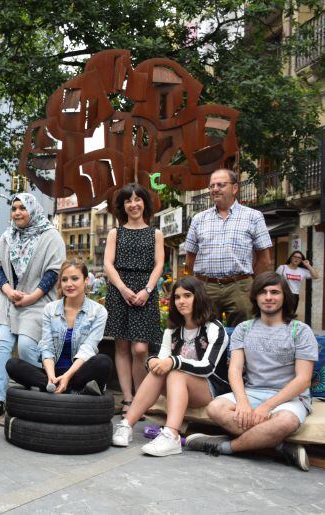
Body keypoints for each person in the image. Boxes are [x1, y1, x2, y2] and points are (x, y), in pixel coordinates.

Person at [186, 272, 318, 471]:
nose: (268, 297)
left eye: (275, 292)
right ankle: (279, 446)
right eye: (263, 292)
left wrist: (266, 407)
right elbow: (235, 369)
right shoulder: (244, 329)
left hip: (291, 397)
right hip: (253, 392)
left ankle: (225, 447)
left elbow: (303, 380)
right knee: (215, 408)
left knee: (285, 422)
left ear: (285, 297)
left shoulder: (300, 330)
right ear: (256, 296)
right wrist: (243, 402)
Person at [112, 276, 229, 456]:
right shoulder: (173, 329)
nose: (181, 301)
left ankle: (171, 435)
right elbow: (163, 358)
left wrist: (174, 361)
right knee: (159, 370)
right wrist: (152, 361)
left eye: (187, 296)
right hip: (178, 386)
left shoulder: (214, 328)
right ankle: (127, 424)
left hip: (210, 388)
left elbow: (208, 367)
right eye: (177, 297)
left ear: (199, 297)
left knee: (175, 372)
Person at [0, 193, 64, 420]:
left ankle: (36, 391)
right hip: (9, 300)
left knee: (27, 347)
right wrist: (7, 290)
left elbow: (54, 272)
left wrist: (31, 297)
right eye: (14, 208)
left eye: (22, 208)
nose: (17, 212)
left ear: (33, 210)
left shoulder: (50, 236)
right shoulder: (8, 236)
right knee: (1, 348)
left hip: (37, 301)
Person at [5, 259, 112, 397]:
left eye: (75, 278)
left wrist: (67, 376)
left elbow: (88, 349)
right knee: (12, 364)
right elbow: (47, 347)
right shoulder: (50, 309)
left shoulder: (98, 311)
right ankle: (69, 389)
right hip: (53, 372)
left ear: (86, 280)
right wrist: (51, 376)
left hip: (78, 372)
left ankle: (57, 388)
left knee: (103, 362)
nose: (69, 284)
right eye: (65, 280)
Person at [103, 183, 164, 415]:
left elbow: (159, 264)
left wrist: (147, 290)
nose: (133, 204)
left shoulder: (155, 233)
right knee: (121, 346)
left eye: (138, 199)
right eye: (128, 200)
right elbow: (108, 264)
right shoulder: (115, 233)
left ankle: (141, 398)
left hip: (145, 291)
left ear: (145, 203)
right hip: (120, 290)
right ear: (123, 206)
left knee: (140, 348)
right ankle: (128, 399)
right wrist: (122, 288)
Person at [184, 168, 272, 326]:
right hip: (206, 287)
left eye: (221, 185)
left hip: (240, 286)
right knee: (204, 335)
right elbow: (190, 259)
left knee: (244, 333)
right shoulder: (198, 219)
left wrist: (254, 287)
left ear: (235, 188)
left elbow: (264, 259)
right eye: (212, 186)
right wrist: (197, 287)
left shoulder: (254, 216)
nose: (215, 189)